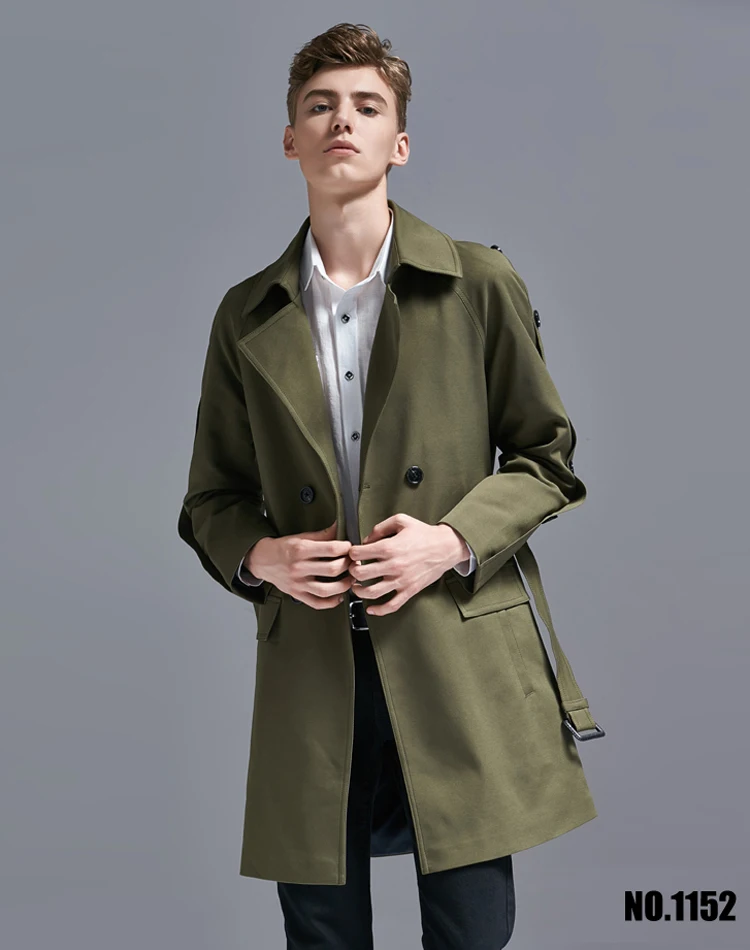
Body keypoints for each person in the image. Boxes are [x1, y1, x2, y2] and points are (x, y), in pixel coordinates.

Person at [178, 21, 601, 950]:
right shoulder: (244, 315)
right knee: (321, 932)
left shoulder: (478, 282)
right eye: (319, 106)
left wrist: (450, 542)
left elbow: (546, 458)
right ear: (290, 138)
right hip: (313, 663)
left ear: (399, 143)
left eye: (367, 106)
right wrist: (261, 556)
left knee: (471, 930)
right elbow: (212, 498)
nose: (342, 121)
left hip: (454, 648)